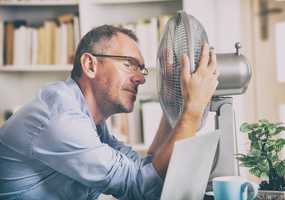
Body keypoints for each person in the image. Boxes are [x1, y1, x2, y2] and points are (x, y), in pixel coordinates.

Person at [0, 25, 219, 200]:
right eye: (129, 64)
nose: (141, 78)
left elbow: (147, 169)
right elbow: (141, 188)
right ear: (90, 65)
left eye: (141, 69)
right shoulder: (61, 118)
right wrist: (191, 109)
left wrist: (172, 101)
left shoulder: (91, 121)